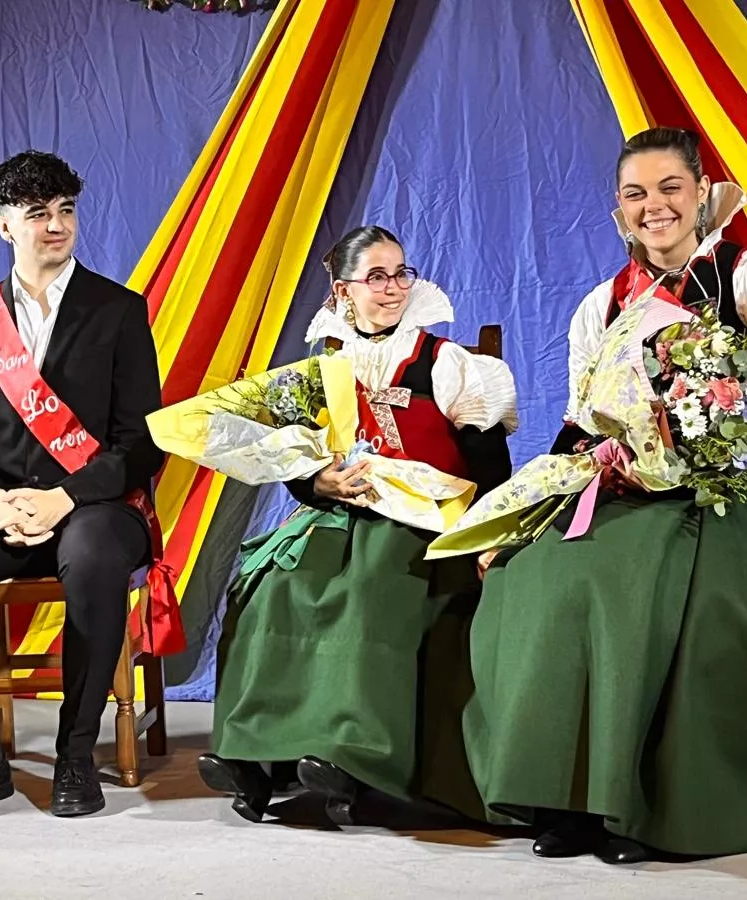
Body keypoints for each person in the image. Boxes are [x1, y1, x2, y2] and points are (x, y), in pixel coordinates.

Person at [455, 127, 747, 862]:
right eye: (635, 194)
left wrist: (703, 455)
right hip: (635, 491)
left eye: (669, 188)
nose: (654, 206)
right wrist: (522, 510)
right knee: (536, 571)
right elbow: (578, 427)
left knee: (664, 577)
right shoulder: (604, 307)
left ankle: (665, 808)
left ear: (702, 193)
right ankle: (566, 796)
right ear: (620, 212)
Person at [196, 226, 518, 824]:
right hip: (343, 512)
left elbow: (491, 469)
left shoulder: (446, 363)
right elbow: (299, 461)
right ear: (344, 290)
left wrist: (488, 537)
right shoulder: (323, 364)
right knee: (267, 586)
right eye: (377, 276)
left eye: (401, 273)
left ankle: (351, 755)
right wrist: (318, 483)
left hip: (429, 519)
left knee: (368, 591)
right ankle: (254, 756)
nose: (393, 288)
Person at [0, 150, 170, 820]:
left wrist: (64, 498)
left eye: (66, 210)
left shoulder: (119, 310)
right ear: (3, 227)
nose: (56, 225)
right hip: (6, 508)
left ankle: (76, 756)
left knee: (96, 556)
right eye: (38, 213)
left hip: (98, 507)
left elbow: (141, 442)